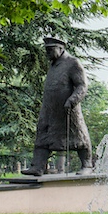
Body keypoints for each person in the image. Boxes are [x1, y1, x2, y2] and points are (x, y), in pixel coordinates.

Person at [22, 36, 93, 176]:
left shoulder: (72, 63)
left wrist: (73, 100)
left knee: (79, 136)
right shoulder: (53, 65)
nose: (47, 52)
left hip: (68, 109)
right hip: (49, 109)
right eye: (46, 50)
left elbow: (82, 85)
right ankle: (38, 166)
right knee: (42, 134)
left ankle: (87, 165)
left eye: (50, 49)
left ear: (61, 49)